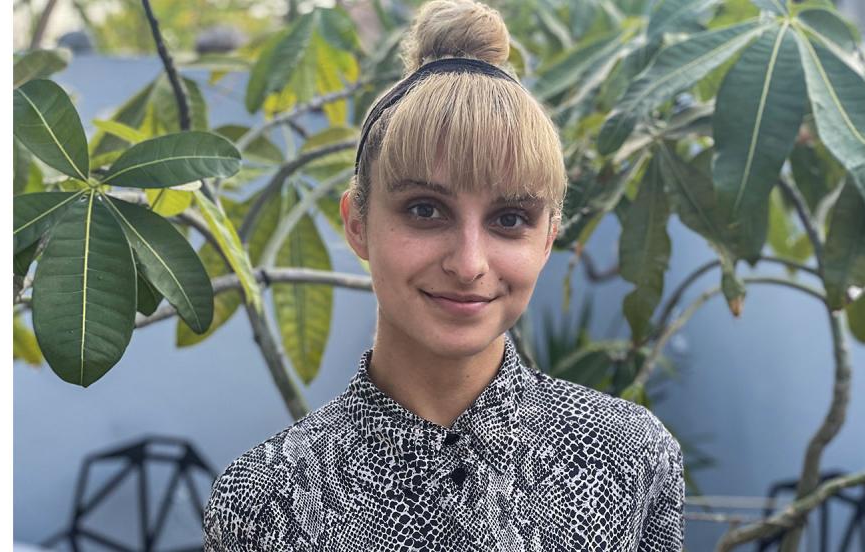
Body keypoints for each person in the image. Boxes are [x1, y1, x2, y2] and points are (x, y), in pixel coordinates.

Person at [203, 1, 684, 550]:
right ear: (358, 224)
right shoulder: (266, 500)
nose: (469, 263)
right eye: (426, 210)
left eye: (510, 219)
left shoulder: (629, 457)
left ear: (548, 238)